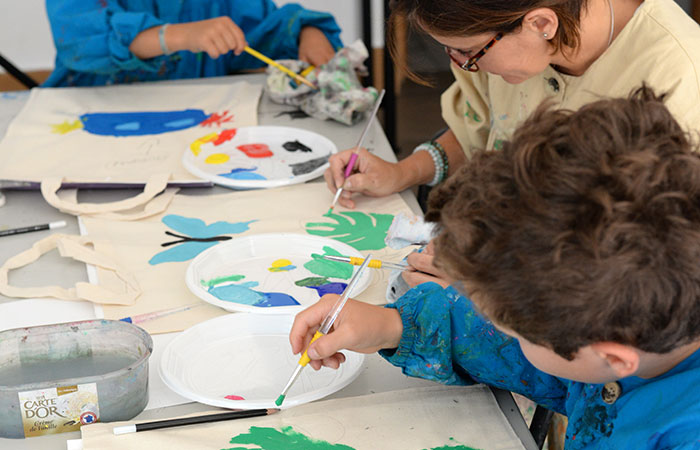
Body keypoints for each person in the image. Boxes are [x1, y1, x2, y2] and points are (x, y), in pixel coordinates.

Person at [292, 87, 700, 449]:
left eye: (516, 331)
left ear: (615, 357)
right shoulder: (620, 327)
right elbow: (544, 365)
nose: (504, 330)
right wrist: (392, 326)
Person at [325, 0, 700, 211]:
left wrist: (487, 270)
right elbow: (483, 130)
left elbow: (651, 254)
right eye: (449, 50)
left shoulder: (679, 78)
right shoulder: (512, 38)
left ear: (541, 23)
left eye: (469, 52)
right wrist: (402, 173)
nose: (460, 65)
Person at [44, 0, 342, 87]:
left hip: (198, 133)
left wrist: (306, 31)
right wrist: (180, 36)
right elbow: (78, 40)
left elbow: (264, 31)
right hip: (90, 115)